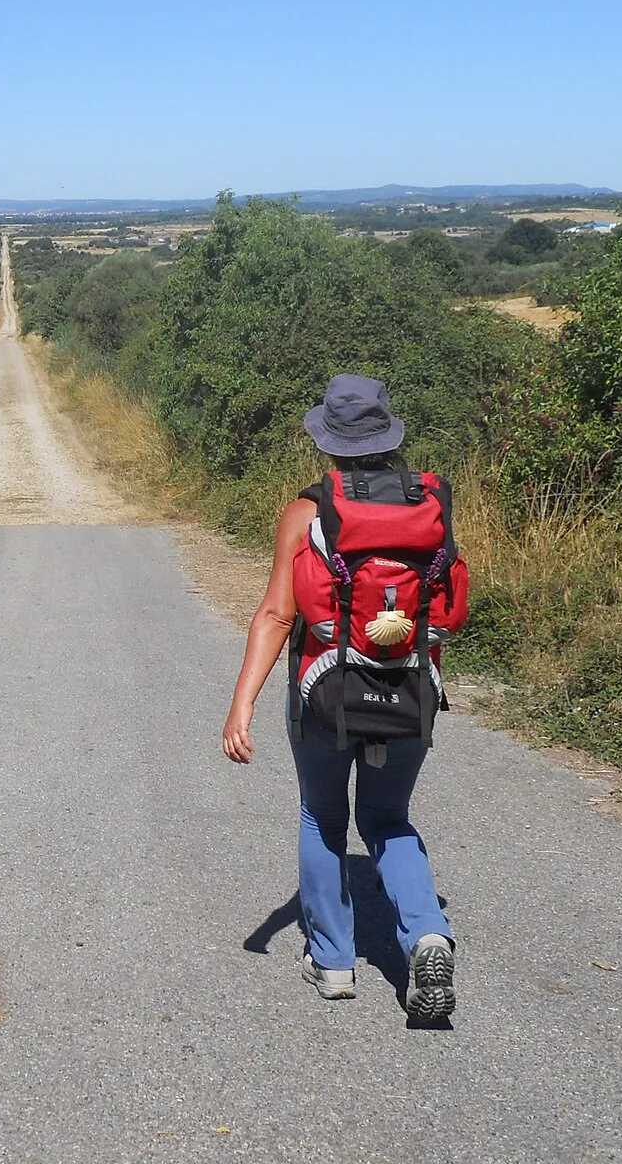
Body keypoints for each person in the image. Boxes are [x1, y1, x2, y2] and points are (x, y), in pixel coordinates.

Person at [220, 373, 458, 1020]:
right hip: (411, 688)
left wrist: (241, 704)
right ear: (388, 435)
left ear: (327, 441)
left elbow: (275, 615)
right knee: (388, 820)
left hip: (325, 690)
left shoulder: (308, 512)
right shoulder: (430, 504)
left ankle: (332, 962)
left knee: (323, 818)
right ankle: (427, 933)